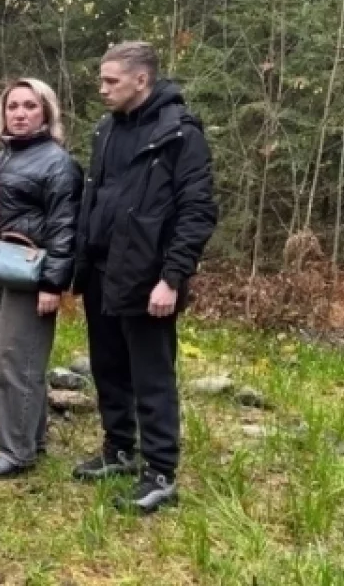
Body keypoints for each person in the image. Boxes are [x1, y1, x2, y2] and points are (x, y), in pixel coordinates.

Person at [71, 41, 217, 514]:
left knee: (151, 376)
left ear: (142, 79)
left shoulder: (180, 134)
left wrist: (172, 278)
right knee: (108, 366)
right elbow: (94, 198)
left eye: (111, 80)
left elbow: (196, 212)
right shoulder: (106, 130)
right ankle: (119, 449)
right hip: (100, 269)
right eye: (102, 79)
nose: (102, 89)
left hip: (148, 277)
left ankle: (160, 472)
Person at [0, 78, 81, 479]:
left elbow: (65, 227)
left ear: (46, 112)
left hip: (32, 274)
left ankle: (16, 451)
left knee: (18, 363)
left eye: (29, 106)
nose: (19, 113)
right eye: (12, 106)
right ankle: (24, 433)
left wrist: (53, 284)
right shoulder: (0, 159)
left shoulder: (57, 163)